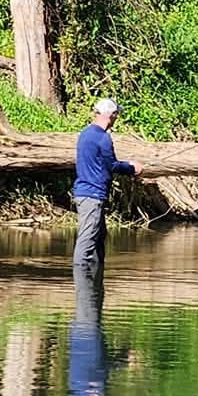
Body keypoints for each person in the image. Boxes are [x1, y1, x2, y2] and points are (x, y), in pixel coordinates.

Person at [72, 98, 139, 270]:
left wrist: (127, 165)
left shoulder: (85, 134)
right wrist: (132, 168)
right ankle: (82, 275)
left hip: (85, 193)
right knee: (88, 237)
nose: (117, 118)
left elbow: (102, 163)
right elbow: (112, 165)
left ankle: (96, 274)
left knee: (99, 236)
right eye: (116, 114)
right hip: (92, 196)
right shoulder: (103, 138)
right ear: (111, 115)